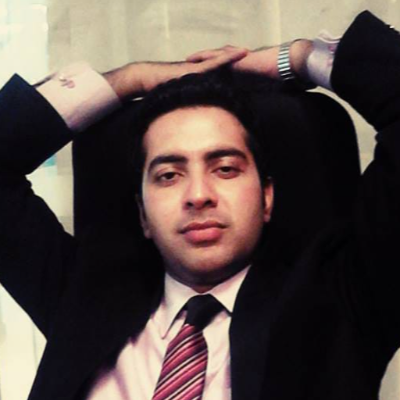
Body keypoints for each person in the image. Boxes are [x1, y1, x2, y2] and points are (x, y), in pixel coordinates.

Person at [0, 9, 399, 400]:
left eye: (225, 169)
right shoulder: (83, 297)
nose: (198, 195)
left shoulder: (343, 300)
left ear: (266, 197)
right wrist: (130, 79)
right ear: (143, 214)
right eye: (169, 175)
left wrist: (293, 58)